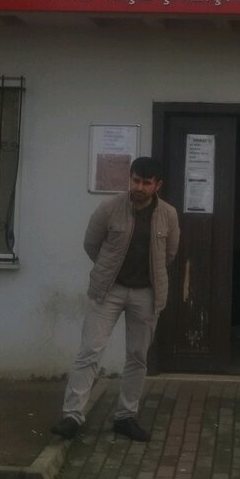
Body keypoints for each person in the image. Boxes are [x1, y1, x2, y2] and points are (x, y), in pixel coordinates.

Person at [51, 157, 180, 443]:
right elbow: (91, 244)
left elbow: (170, 253)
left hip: (146, 294)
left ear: (157, 185)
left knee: (137, 356)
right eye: (136, 180)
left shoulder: (168, 214)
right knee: (90, 351)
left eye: (146, 183)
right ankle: (72, 416)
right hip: (108, 290)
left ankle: (125, 417)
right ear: (130, 179)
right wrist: (107, 268)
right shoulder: (109, 208)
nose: (139, 187)